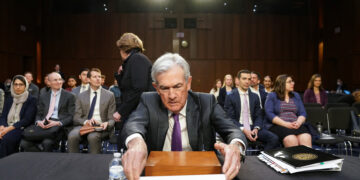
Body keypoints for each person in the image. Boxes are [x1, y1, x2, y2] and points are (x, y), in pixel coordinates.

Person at [120, 53, 247, 180]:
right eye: (164, 88)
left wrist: (236, 146)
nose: (172, 95)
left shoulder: (206, 102)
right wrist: (136, 142)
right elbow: (133, 124)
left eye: (177, 86)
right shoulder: (149, 100)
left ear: (188, 83)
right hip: (159, 172)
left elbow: (232, 130)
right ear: (156, 88)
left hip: (200, 173)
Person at [20, 72, 76, 152]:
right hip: (43, 124)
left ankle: (45, 162)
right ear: (49, 82)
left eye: (60, 79)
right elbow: (39, 113)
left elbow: (71, 116)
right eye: (55, 80)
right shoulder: (43, 96)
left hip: (59, 126)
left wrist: (58, 123)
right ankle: (41, 159)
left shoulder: (70, 96)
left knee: (47, 143)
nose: (59, 82)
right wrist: (38, 121)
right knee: (24, 143)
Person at [225, 70, 279, 150]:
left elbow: (259, 115)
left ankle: (261, 158)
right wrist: (244, 129)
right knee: (237, 143)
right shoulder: (231, 96)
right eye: (244, 79)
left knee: (274, 138)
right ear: (238, 80)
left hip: (253, 127)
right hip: (238, 128)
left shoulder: (255, 96)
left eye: (249, 79)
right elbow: (230, 118)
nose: (247, 81)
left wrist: (256, 128)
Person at [68, 68, 116, 154]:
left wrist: (107, 123)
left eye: (99, 77)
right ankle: (73, 163)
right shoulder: (81, 96)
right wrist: (86, 121)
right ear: (88, 79)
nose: (98, 79)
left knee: (92, 137)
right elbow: (76, 117)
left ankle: (94, 165)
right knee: (72, 136)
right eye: (95, 77)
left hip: (100, 126)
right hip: (84, 125)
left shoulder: (109, 95)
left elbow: (112, 118)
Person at [113, 33, 154, 128]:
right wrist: (120, 75)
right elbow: (126, 89)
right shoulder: (133, 60)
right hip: (135, 109)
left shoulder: (136, 59)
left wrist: (121, 111)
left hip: (139, 110)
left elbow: (139, 90)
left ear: (123, 49)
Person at [265, 74, 312, 148]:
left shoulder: (296, 95)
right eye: (289, 82)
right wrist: (286, 124)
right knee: (291, 139)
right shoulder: (272, 95)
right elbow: (269, 114)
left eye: (292, 81)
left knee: (306, 137)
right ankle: (294, 159)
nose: (293, 83)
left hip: (295, 124)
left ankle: (307, 159)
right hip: (279, 125)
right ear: (282, 84)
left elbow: (303, 113)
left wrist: (298, 122)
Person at [0, 75, 37, 158]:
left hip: (20, 128)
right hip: (6, 126)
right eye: (15, 84)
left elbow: (27, 120)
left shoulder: (31, 99)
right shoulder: (10, 98)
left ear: (25, 86)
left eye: (21, 84)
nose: (18, 87)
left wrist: (8, 129)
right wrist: (2, 127)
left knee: (6, 139)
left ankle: (5, 164)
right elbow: (3, 116)